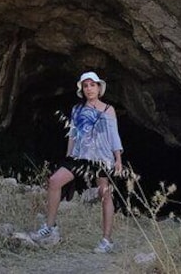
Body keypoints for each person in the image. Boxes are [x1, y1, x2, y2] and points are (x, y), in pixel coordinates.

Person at [30, 71, 124, 253]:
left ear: (99, 87)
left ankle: (106, 240)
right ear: (82, 89)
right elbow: (73, 134)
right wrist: (68, 156)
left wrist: (118, 159)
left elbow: (114, 136)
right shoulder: (77, 109)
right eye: (85, 85)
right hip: (80, 157)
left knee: (105, 195)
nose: (89, 89)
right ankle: (49, 227)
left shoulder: (108, 110)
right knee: (54, 181)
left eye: (92, 85)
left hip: (101, 159)